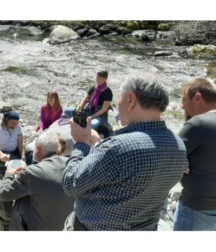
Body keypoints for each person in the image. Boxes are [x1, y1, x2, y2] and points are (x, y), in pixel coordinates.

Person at [62, 73, 188, 231]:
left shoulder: (116, 148)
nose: (117, 106)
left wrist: (81, 143)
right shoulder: (179, 146)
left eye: (119, 98)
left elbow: (70, 184)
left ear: (130, 99)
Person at [173, 78, 216, 231]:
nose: (182, 105)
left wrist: (181, 162)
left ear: (197, 97)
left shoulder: (197, 124)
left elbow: (169, 157)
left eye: (184, 100)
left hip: (197, 210)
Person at [0, 131, 74, 231]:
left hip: (40, 228)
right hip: (67, 224)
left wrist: (9, 174)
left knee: (7, 189)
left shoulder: (32, 173)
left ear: (38, 148)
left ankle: (5, 224)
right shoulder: (72, 163)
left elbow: (3, 194)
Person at [0, 111, 25, 180]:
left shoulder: (17, 127)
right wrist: (0, 154)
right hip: (2, 152)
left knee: (29, 151)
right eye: (12, 123)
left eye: (16, 123)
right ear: (6, 120)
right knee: (12, 167)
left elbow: (20, 142)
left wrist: (23, 155)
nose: (14, 125)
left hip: (14, 150)